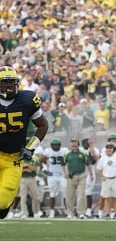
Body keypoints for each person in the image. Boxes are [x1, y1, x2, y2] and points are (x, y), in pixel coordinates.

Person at [0, 66, 48, 219]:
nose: (9, 86)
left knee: (2, 203)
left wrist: (30, 148)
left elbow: (43, 125)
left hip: (14, 158)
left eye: (12, 82)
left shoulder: (27, 100)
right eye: (5, 83)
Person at [61, 137, 94, 219]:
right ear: (70, 144)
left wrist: (91, 174)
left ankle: (81, 213)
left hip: (81, 176)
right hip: (71, 176)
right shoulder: (67, 154)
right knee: (70, 196)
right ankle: (70, 213)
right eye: (72, 142)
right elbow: (62, 164)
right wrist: (65, 173)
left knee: (81, 195)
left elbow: (88, 164)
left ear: (78, 144)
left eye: (75, 142)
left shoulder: (83, 153)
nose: (74, 144)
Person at [41, 138, 69, 218]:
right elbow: (41, 161)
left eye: (57, 145)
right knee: (52, 194)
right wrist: (45, 170)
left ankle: (68, 211)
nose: (55, 146)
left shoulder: (64, 151)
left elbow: (69, 159)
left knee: (65, 194)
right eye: (54, 145)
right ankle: (52, 212)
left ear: (60, 145)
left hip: (62, 175)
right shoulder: (48, 151)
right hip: (52, 175)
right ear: (51, 145)